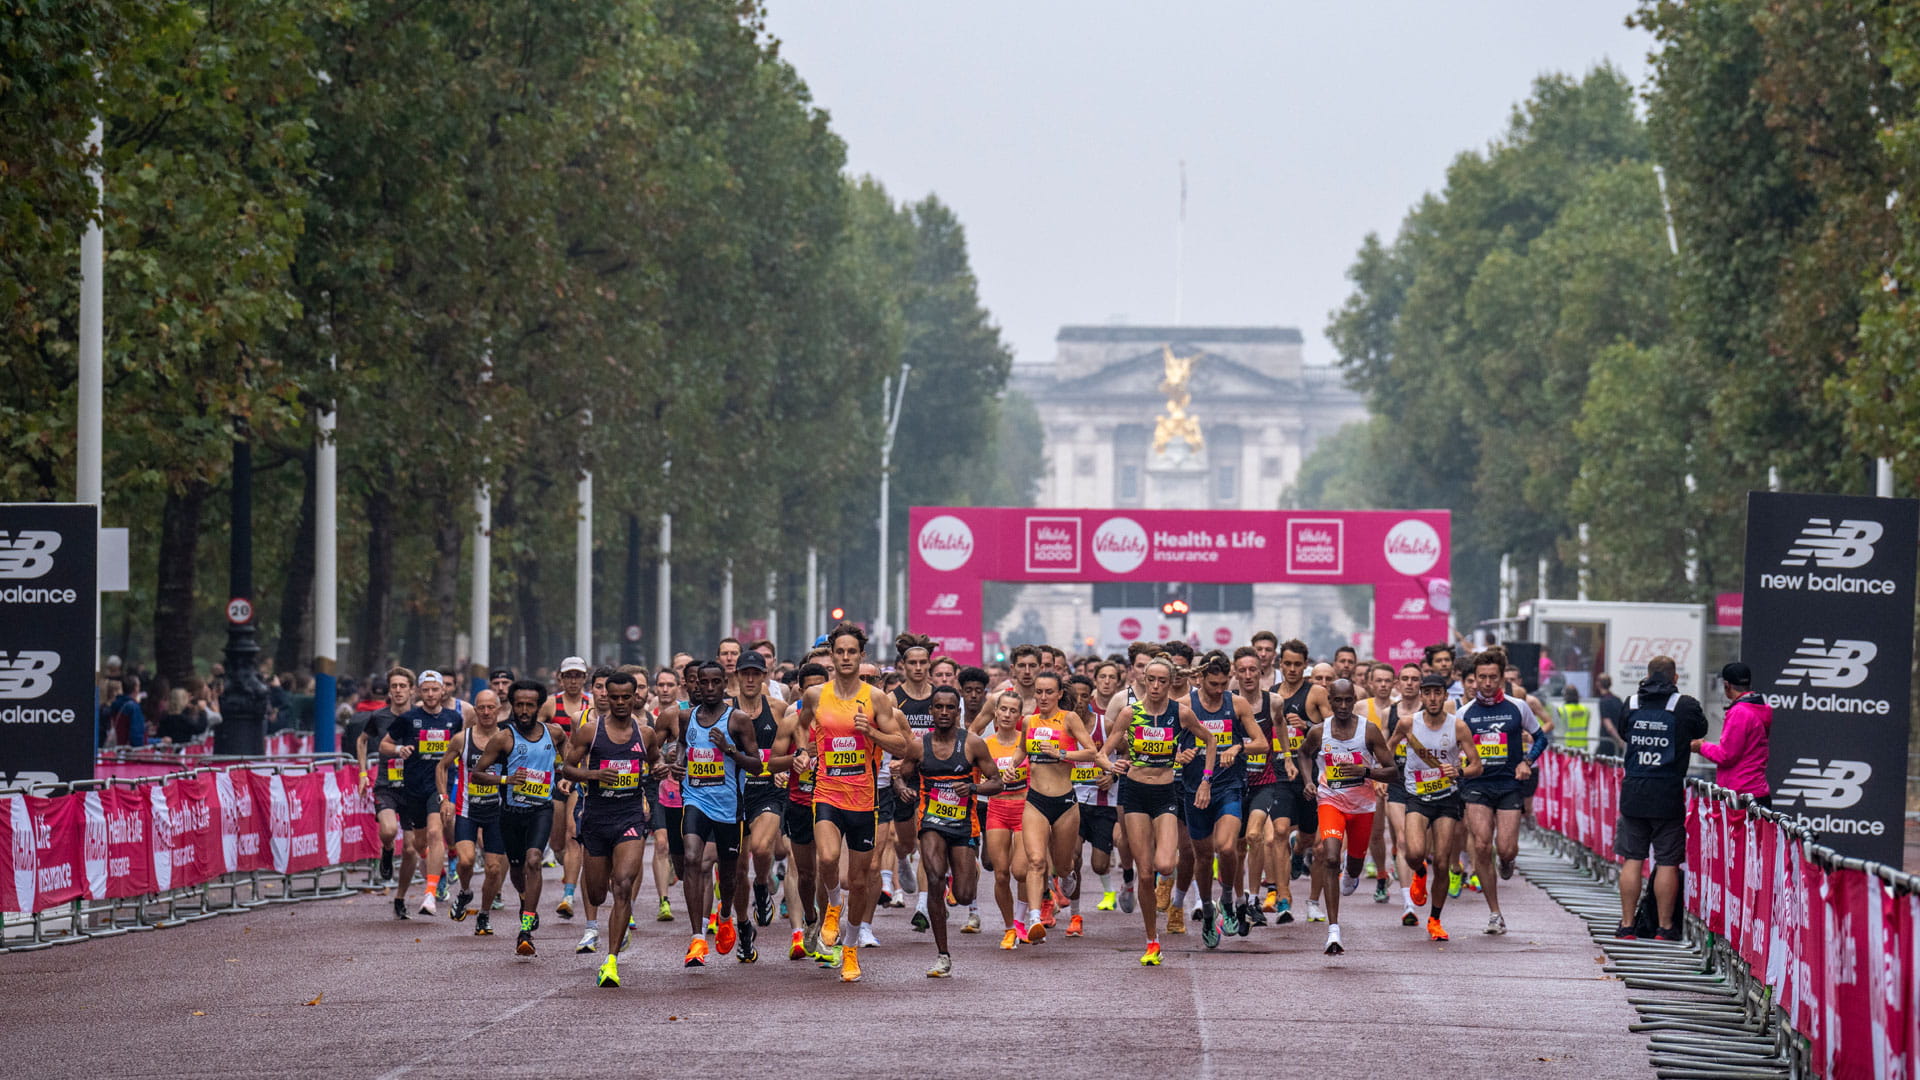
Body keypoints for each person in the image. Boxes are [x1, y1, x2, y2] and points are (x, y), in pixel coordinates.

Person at [793, 623, 910, 983]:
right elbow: (800, 727)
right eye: (839, 652)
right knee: (827, 858)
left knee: (859, 881)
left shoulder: (876, 700)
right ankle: (832, 906)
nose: (845, 658)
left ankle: (851, 949)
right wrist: (802, 753)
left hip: (863, 796)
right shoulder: (816, 696)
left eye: (851, 652)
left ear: (862, 656)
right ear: (831, 655)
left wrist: (871, 732)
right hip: (826, 791)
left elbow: (902, 746)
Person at [1101, 656, 1211, 966]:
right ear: (1144, 681)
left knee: (1165, 865)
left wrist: (1205, 780)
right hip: (1135, 792)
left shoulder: (1181, 713)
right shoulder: (1129, 713)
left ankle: (1169, 882)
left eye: (1163, 680)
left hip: (1165, 793)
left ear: (1171, 682)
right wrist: (1112, 765)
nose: (1157, 686)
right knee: (1145, 872)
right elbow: (1103, 751)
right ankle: (1152, 940)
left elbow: (1210, 740)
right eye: (1152, 680)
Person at [895, 686, 1004, 976]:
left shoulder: (973, 744)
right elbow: (900, 775)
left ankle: (957, 882)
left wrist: (974, 787)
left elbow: (997, 782)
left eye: (949, 708)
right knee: (934, 878)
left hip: (964, 825)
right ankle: (943, 954)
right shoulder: (919, 746)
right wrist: (903, 789)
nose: (944, 712)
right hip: (930, 821)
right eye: (938, 707)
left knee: (965, 894)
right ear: (931, 711)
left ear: (958, 712)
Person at [561, 669, 658, 987]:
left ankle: (611, 961)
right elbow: (568, 767)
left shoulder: (645, 734)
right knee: (598, 892)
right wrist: (593, 776)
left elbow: (653, 764)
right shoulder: (591, 731)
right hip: (596, 819)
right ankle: (601, 925)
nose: (619, 702)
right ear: (605, 697)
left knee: (623, 884)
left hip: (630, 817)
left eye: (625, 697)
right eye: (613, 696)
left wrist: (661, 771)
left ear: (635, 697)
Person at [666, 660, 760, 968]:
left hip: (729, 808)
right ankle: (696, 938)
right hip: (695, 799)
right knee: (692, 858)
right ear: (694, 685)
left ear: (724, 684)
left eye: (714, 683)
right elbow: (682, 744)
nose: (707, 688)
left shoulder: (738, 720)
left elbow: (757, 765)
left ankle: (725, 914)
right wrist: (678, 764)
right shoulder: (686, 716)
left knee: (730, 875)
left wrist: (730, 750)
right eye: (701, 683)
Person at [1297, 678, 1398, 955]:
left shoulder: (1369, 732)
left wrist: (1365, 772)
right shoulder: (1319, 732)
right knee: (1330, 857)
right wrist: (1308, 781)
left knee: (1353, 867)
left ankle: (1351, 875)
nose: (1342, 706)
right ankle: (1333, 931)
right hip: (1330, 802)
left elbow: (1393, 772)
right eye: (1337, 701)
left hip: (1363, 808)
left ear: (1354, 701)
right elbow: (1304, 754)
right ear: (1329, 701)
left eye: (1347, 700)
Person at [1615, 655, 1708, 942]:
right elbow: (1701, 731)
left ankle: (1627, 925)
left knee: (1632, 858)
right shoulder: (1685, 706)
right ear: (1675, 678)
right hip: (1667, 793)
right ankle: (1664, 928)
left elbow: (1623, 733)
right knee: (1667, 861)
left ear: (1647, 674)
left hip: (1634, 791)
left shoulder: (1630, 703)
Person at [1457, 647, 1547, 935]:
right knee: (1482, 844)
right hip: (1477, 785)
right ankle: (1495, 912)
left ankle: (1506, 861)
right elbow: (1452, 749)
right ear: (1473, 678)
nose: (1486, 683)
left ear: (1501, 678)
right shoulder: (1463, 713)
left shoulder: (1516, 707)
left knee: (1506, 848)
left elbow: (1541, 738)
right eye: (1481, 677)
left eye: (1492, 677)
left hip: (1509, 784)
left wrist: (1527, 761)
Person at [1388, 674, 1483, 941]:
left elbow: (1477, 765)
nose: (1432, 698)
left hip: (1447, 799)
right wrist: (1384, 775)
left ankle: (1435, 920)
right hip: (1416, 796)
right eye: (1427, 693)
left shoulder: (1458, 727)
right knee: (1414, 852)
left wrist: (1460, 771)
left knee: (1442, 861)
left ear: (1444, 695)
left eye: (1437, 693)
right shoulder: (1408, 723)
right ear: (1421, 695)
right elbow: (1387, 748)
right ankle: (1419, 872)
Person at [1180, 653, 1266, 947]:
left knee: (1227, 846)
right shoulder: (1185, 706)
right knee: (1203, 857)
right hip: (1195, 790)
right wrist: (1180, 755)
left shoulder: (1236, 703)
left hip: (1229, 786)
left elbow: (1263, 745)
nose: (1218, 690)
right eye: (1212, 684)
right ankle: (1207, 909)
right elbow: (1167, 746)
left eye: (1223, 684)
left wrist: (1239, 748)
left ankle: (1227, 900)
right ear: (1200, 679)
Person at [473, 679, 562, 956]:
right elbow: (477, 773)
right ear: (512, 705)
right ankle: (525, 899)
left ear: (539, 706)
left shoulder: (555, 733)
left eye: (530, 705)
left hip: (541, 809)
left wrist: (567, 778)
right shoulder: (503, 738)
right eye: (519, 704)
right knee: (516, 866)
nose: (524, 710)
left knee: (534, 860)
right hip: (510, 814)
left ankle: (525, 928)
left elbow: (568, 762)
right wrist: (506, 779)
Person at [1017, 671, 1101, 945]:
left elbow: (1091, 752)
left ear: (1059, 694)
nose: (1042, 697)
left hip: (1065, 802)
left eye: (1048, 692)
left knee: (1063, 866)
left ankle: (1067, 876)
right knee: (1036, 861)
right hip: (1036, 801)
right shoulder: (1028, 721)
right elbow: (1021, 752)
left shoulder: (1070, 719)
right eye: (1038, 692)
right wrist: (1008, 769)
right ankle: (1033, 919)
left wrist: (1060, 754)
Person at [380, 670, 462, 918]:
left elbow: (461, 747)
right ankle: (436, 867)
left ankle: (430, 893)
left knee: (436, 832)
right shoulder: (408, 718)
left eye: (434, 689)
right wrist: (398, 749)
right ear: (418, 692)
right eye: (425, 690)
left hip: (440, 786)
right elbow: (383, 744)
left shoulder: (454, 718)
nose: (430, 694)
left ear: (443, 691)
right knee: (419, 843)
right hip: (413, 787)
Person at [436, 688, 507, 932]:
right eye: (481, 708)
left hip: (497, 812)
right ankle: (465, 892)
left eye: (491, 707)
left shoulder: (507, 738)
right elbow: (442, 767)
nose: (486, 712)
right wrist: (444, 798)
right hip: (467, 809)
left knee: (494, 868)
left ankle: (484, 914)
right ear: (475, 710)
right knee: (465, 861)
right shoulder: (462, 739)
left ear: (498, 709)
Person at [731, 648, 790, 934]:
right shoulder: (726, 710)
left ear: (764, 677)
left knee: (762, 847)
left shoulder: (777, 709)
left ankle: (763, 883)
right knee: (738, 868)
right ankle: (743, 926)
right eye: (746, 674)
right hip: (735, 795)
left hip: (768, 790)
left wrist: (787, 771)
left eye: (756, 674)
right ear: (737, 676)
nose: (751, 679)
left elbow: (792, 746)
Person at [979, 693, 1031, 950]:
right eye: (1004, 710)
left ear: (1019, 716)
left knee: (1020, 871)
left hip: (1024, 809)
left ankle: (1021, 921)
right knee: (1000, 874)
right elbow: (978, 778)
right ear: (996, 713)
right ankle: (1010, 927)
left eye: (1013, 710)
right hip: (997, 809)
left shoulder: (1027, 742)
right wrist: (989, 782)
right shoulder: (986, 744)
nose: (1008, 715)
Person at [1692, 662, 1771, 806]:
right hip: (1756, 792)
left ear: (1726, 685)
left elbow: (1726, 755)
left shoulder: (1740, 712)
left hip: (1740, 795)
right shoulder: (1758, 708)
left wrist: (1700, 747)